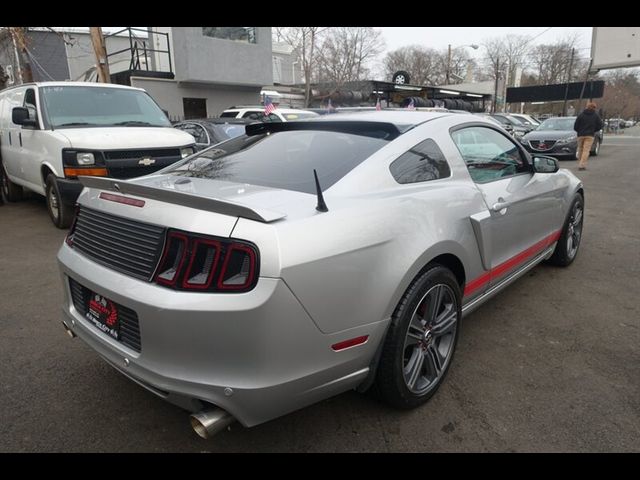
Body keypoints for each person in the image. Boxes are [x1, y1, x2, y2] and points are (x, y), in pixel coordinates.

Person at [573, 102, 604, 170]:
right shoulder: (596, 116)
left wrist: (579, 131)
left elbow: (575, 126)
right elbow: (600, 125)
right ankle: (582, 165)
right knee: (586, 150)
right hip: (590, 135)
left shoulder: (581, 115)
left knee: (580, 149)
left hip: (580, 135)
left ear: (587, 107)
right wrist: (594, 130)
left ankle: (580, 162)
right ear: (594, 108)